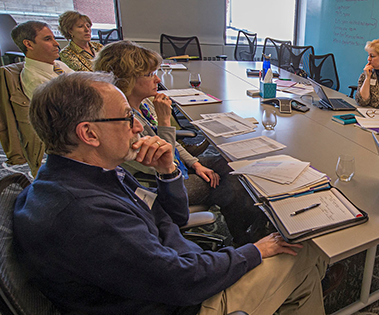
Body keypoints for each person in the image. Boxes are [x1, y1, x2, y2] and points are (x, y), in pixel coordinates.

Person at [13, 72, 328, 315]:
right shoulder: (86, 213)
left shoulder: (93, 172)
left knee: (302, 280)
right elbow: (181, 282)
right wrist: (253, 251)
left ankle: (296, 293)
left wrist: (168, 172)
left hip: (183, 272)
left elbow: (170, 216)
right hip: (186, 304)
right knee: (307, 249)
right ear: (89, 133)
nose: (138, 127)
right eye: (126, 117)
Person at [93, 40, 263, 246]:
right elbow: (162, 162)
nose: (156, 79)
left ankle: (244, 230)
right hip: (160, 183)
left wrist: (195, 163)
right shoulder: (122, 120)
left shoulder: (145, 103)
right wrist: (165, 121)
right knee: (230, 185)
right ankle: (243, 238)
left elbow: (173, 145)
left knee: (229, 166)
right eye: (149, 74)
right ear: (126, 79)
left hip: (177, 168)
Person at [11, 21, 73, 99]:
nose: (56, 43)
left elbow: (83, 82)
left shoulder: (58, 65)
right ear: (29, 44)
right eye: (48, 39)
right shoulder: (36, 81)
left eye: (54, 38)